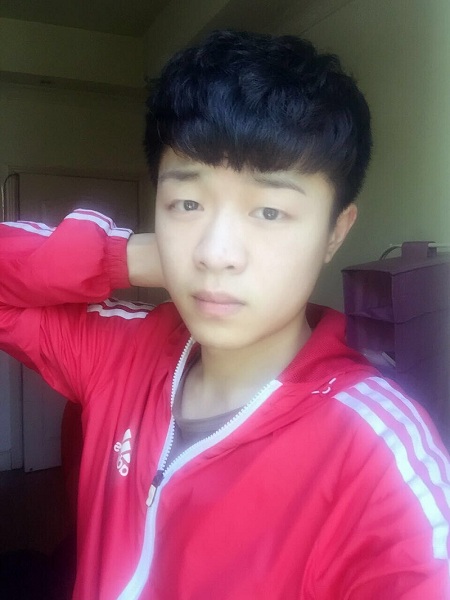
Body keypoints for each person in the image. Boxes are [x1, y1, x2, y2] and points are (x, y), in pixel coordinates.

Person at [1, 29, 449, 599]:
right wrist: (130, 255)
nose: (215, 253)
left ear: (335, 232)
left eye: (269, 211)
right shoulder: (122, 353)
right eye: (187, 203)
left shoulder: (374, 457)